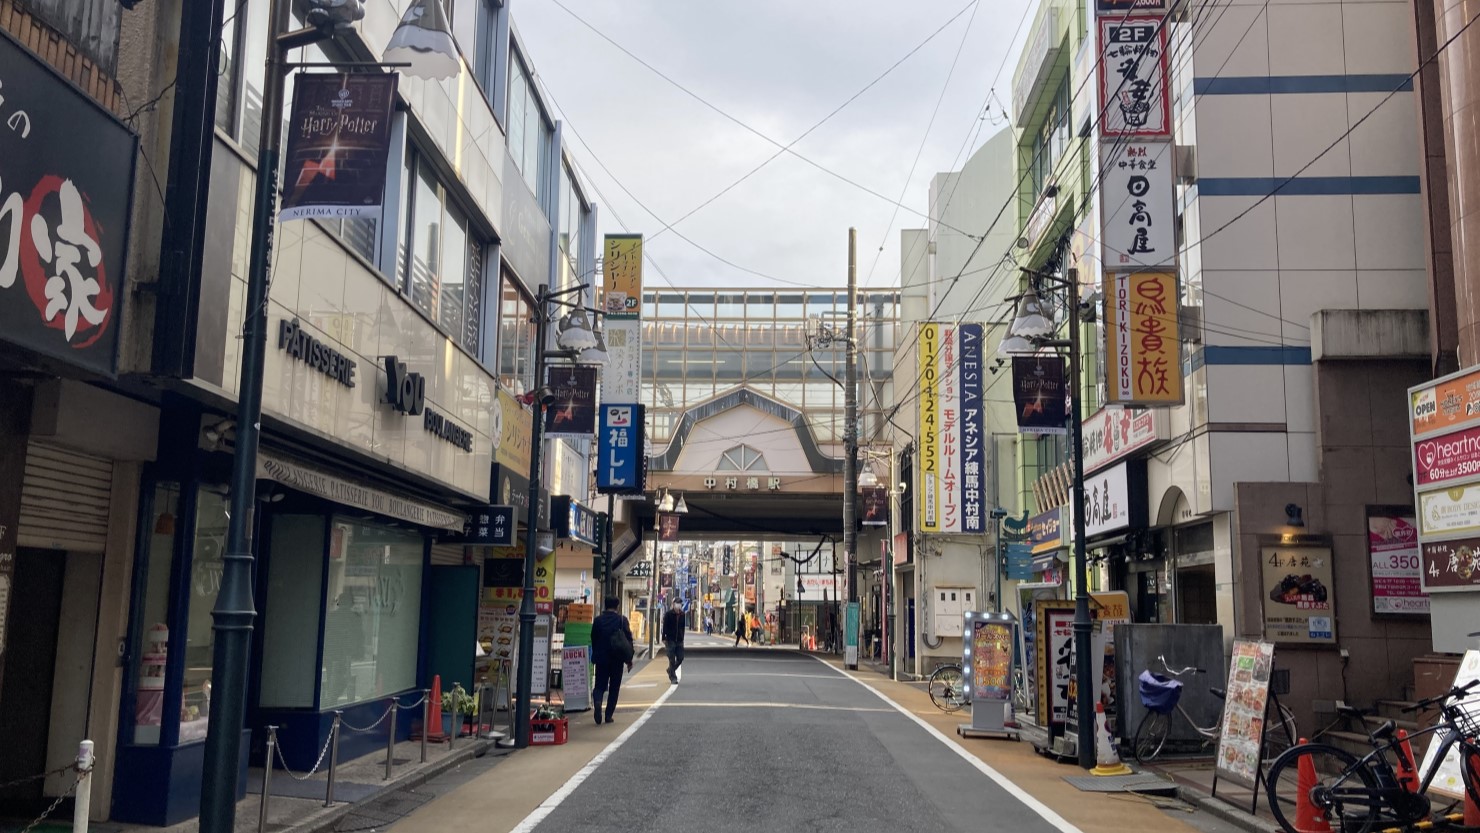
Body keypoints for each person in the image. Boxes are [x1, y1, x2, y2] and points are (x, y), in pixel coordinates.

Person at [590, 597, 634, 725]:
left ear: (605, 605)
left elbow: (593, 638)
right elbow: (628, 640)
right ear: (617, 606)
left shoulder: (598, 621)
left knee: (599, 685)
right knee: (614, 687)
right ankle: (608, 715)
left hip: (601, 659)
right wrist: (629, 659)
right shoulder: (622, 620)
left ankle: (598, 701)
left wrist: (596, 654)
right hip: (617, 659)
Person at [662, 601, 686, 684]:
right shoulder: (668, 614)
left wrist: (682, 637)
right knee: (671, 659)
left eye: (680, 603)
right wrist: (663, 638)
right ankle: (673, 677)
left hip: (679, 640)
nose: (678, 605)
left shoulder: (683, 614)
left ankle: (670, 670)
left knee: (680, 658)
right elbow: (665, 626)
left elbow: (683, 627)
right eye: (677, 603)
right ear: (673, 604)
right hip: (670, 639)